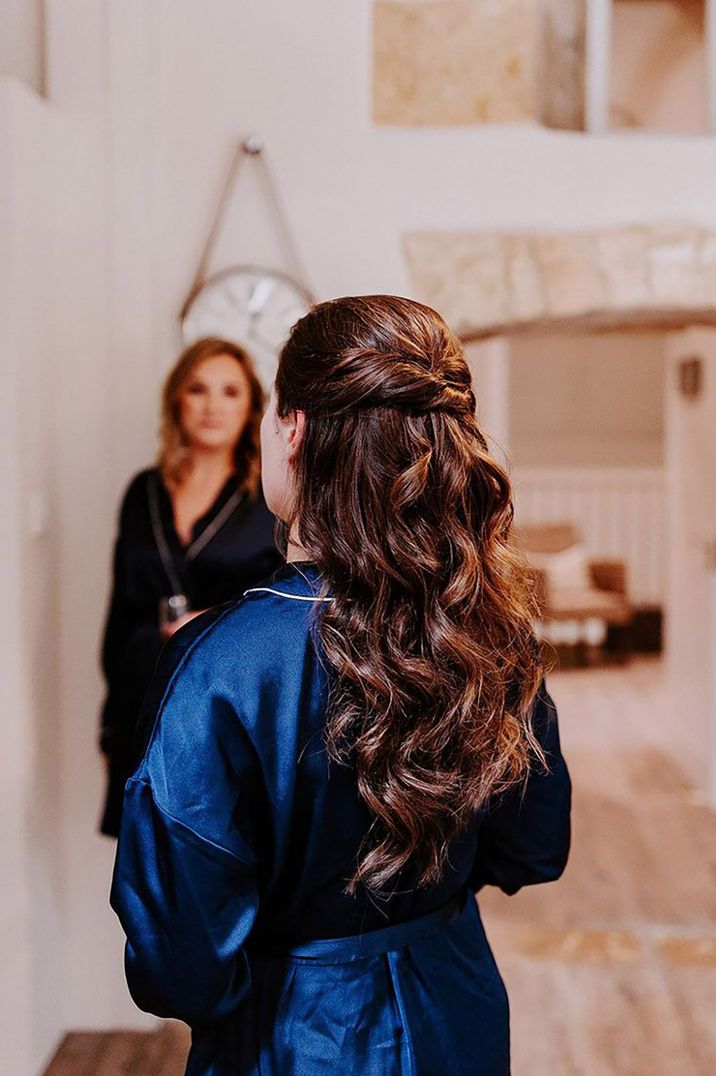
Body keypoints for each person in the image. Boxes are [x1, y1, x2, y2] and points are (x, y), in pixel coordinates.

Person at [111, 296, 571, 1075]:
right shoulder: (490, 626)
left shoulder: (221, 663)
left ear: (291, 432)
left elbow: (177, 959)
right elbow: (533, 847)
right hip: (453, 1004)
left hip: (297, 1036)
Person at [99, 337, 281, 837]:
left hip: (223, 703)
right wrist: (110, 726)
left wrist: (209, 623)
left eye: (230, 392)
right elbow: (120, 613)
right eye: (198, 389)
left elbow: (284, 612)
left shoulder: (267, 500)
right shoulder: (144, 493)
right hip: (141, 692)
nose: (212, 406)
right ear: (177, 399)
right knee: (147, 856)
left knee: (214, 847)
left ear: (251, 409)